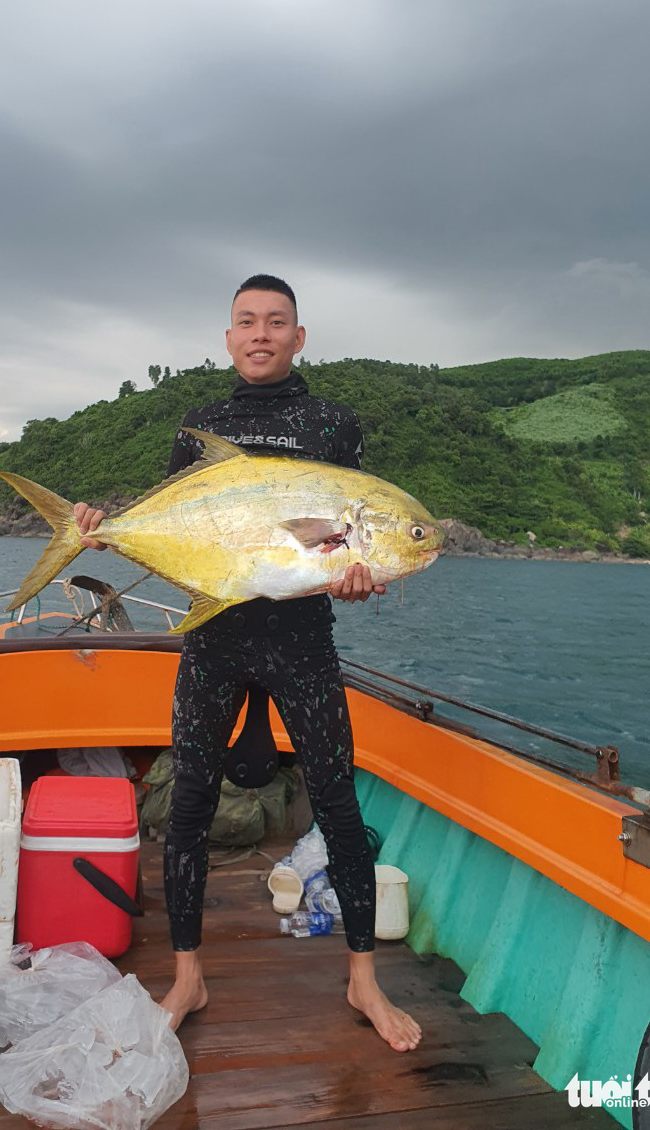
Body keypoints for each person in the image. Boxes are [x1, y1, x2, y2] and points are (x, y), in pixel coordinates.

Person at [73, 275, 422, 1052]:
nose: (260, 334)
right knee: (190, 804)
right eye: (246, 322)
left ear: (300, 337)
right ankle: (188, 976)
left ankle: (364, 980)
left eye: (276, 322)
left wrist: (357, 578)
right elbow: (179, 527)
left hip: (302, 641)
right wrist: (111, 532)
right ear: (228, 338)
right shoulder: (202, 423)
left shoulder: (334, 425)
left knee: (338, 803)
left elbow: (335, 551)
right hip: (216, 639)